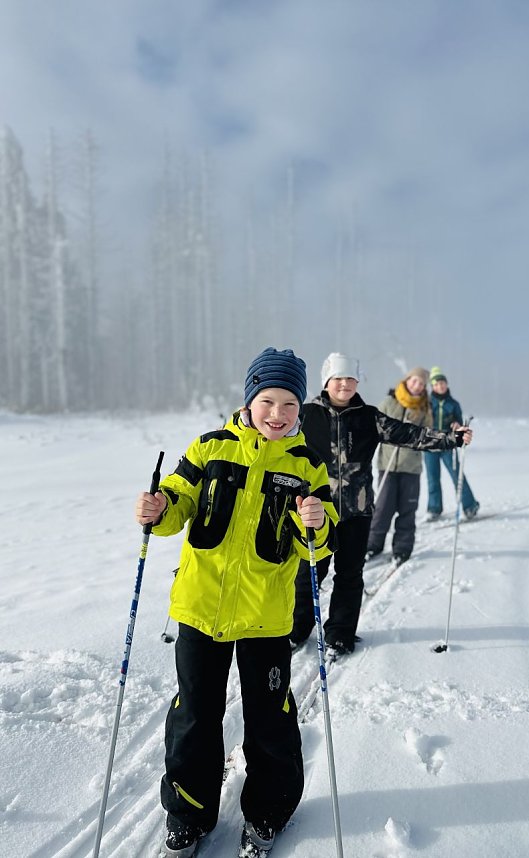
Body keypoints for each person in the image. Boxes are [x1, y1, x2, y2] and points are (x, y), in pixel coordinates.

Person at [135, 347, 338, 858]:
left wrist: (313, 523)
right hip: (201, 610)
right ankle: (187, 812)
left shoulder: (309, 466)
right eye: (268, 400)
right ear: (249, 399)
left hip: (265, 619)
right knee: (194, 717)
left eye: (289, 404)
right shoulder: (209, 448)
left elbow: (320, 544)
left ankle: (267, 812)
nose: (278, 414)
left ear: (300, 408)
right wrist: (158, 509)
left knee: (269, 721)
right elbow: (176, 505)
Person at [290, 353, 471, 658]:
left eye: (350, 379)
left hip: (357, 513)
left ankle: (340, 634)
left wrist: (451, 439)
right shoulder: (304, 416)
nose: (344, 385)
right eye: (338, 379)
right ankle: (296, 630)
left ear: (357, 382)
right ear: (327, 382)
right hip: (316, 513)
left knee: (350, 575)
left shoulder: (369, 417)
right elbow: (271, 428)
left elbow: (411, 435)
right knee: (308, 574)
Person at [366, 367, 436, 566]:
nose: (417, 386)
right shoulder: (389, 402)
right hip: (387, 465)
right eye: (415, 381)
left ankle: (402, 548)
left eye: (422, 384)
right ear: (407, 380)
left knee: (407, 510)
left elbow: (428, 435)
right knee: (382, 509)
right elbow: (374, 428)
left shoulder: (423, 409)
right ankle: (373, 544)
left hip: (411, 468)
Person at [424, 365, 479, 521]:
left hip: (449, 444)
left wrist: (456, 425)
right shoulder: (427, 402)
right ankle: (434, 508)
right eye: (436, 384)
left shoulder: (453, 404)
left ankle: (470, 506)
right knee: (432, 477)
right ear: (432, 387)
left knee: (457, 475)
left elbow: (460, 423)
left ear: (446, 384)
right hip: (430, 444)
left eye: (442, 383)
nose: (439, 386)